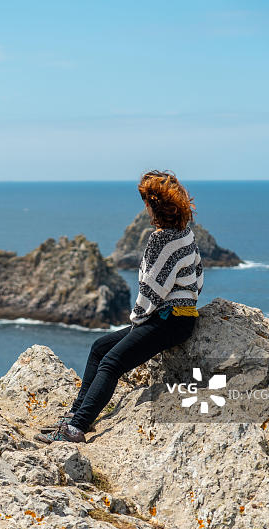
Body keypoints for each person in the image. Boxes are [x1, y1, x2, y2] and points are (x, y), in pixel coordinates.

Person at [36, 170, 203, 444]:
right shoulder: (185, 234)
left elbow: (152, 288)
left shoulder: (161, 240)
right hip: (181, 317)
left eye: (146, 202)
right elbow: (198, 275)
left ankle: (77, 428)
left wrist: (138, 321)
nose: (144, 207)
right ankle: (76, 415)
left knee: (112, 362)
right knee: (100, 347)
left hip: (166, 319)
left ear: (154, 205)